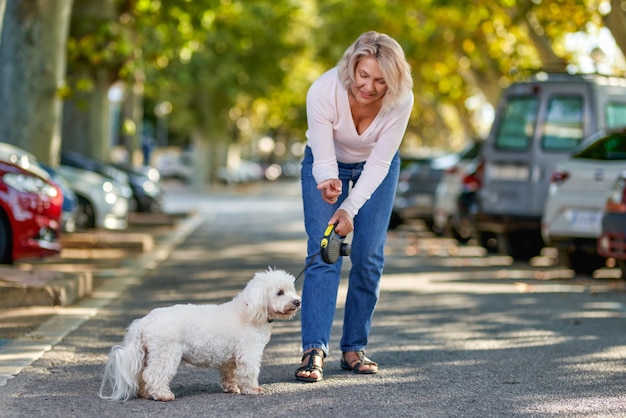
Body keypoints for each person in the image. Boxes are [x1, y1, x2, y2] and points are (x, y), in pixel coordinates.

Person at [295, 31, 414, 382]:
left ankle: (354, 348)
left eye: (381, 80)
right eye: (364, 76)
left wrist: (350, 208)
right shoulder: (322, 90)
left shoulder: (401, 99)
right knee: (325, 250)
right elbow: (321, 148)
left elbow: (380, 163)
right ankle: (313, 349)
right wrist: (328, 180)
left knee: (368, 255)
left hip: (375, 168)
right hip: (324, 160)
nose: (370, 87)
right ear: (351, 67)